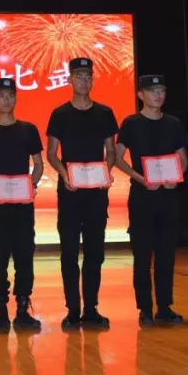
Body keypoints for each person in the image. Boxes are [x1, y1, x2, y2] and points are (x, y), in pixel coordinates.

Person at [45, 57, 119, 331]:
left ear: (92, 80)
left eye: (88, 76)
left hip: (96, 192)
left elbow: (110, 151)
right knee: (69, 252)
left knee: (95, 251)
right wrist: (64, 175)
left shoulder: (105, 113)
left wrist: (106, 171)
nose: (83, 81)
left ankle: (91, 308)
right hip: (70, 190)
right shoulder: (59, 114)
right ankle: (72, 309)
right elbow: (52, 153)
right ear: (69, 80)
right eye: (78, 76)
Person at [0, 77, 45, 334]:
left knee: (25, 254)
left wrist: (31, 185)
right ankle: (0, 308)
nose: (6, 100)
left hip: (23, 204)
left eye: (11, 95)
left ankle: (23, 307)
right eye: (1, 95)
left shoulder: (28, 129)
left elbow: (38, 164)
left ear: (16, 98)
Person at [114, 74, 188, 326]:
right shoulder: (131, 123)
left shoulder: (173, 123)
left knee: (166, 253)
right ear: (140, 95)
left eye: (162, 90)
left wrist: (177, 176)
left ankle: (165, 306)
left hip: (168, 195)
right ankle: (145, 308)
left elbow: (182, 158)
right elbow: (117, 158)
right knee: (143, 255)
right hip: (142, 195)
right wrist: (140, 178)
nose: (158, 95)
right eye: (152, 91)